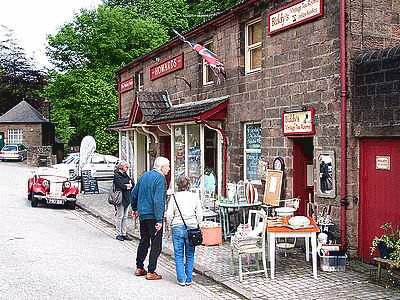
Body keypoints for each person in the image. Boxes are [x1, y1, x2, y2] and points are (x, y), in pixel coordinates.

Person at [130, 156, 170, 280]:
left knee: (144, 241)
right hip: (153, 215)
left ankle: (139, 267)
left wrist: (135, 208)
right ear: (162, 167)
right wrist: (159, 219)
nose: (169, 169)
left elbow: (134, 193)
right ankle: (151, 271)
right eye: (168, 166)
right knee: (156, 244)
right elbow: (158, 200)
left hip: (143, 214)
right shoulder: (160, 178)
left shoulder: (144, 176)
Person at [166, 175, 203, 286]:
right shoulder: (194, 196)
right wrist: (197, 224)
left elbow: (169, 214)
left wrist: (169, 226)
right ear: (189, 185)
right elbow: (200, 214)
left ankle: (181, 278)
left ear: (178, 185)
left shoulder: (174, 197)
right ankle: (189, 278)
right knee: (190, 254)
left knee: (178, 254)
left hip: (177, 227)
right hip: (192, 227)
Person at [113, 160, 133, 241]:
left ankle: (124, 233)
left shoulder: (125, 174)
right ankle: (118, 233)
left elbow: (132, 183)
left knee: (125, 217)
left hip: (127, 197)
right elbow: (121, 185)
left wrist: (127, 185)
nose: (127, 168)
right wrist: (128, 185)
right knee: (120, 216)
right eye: (126, 167)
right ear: (121, 167)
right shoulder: (116, 175)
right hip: (120, 197)